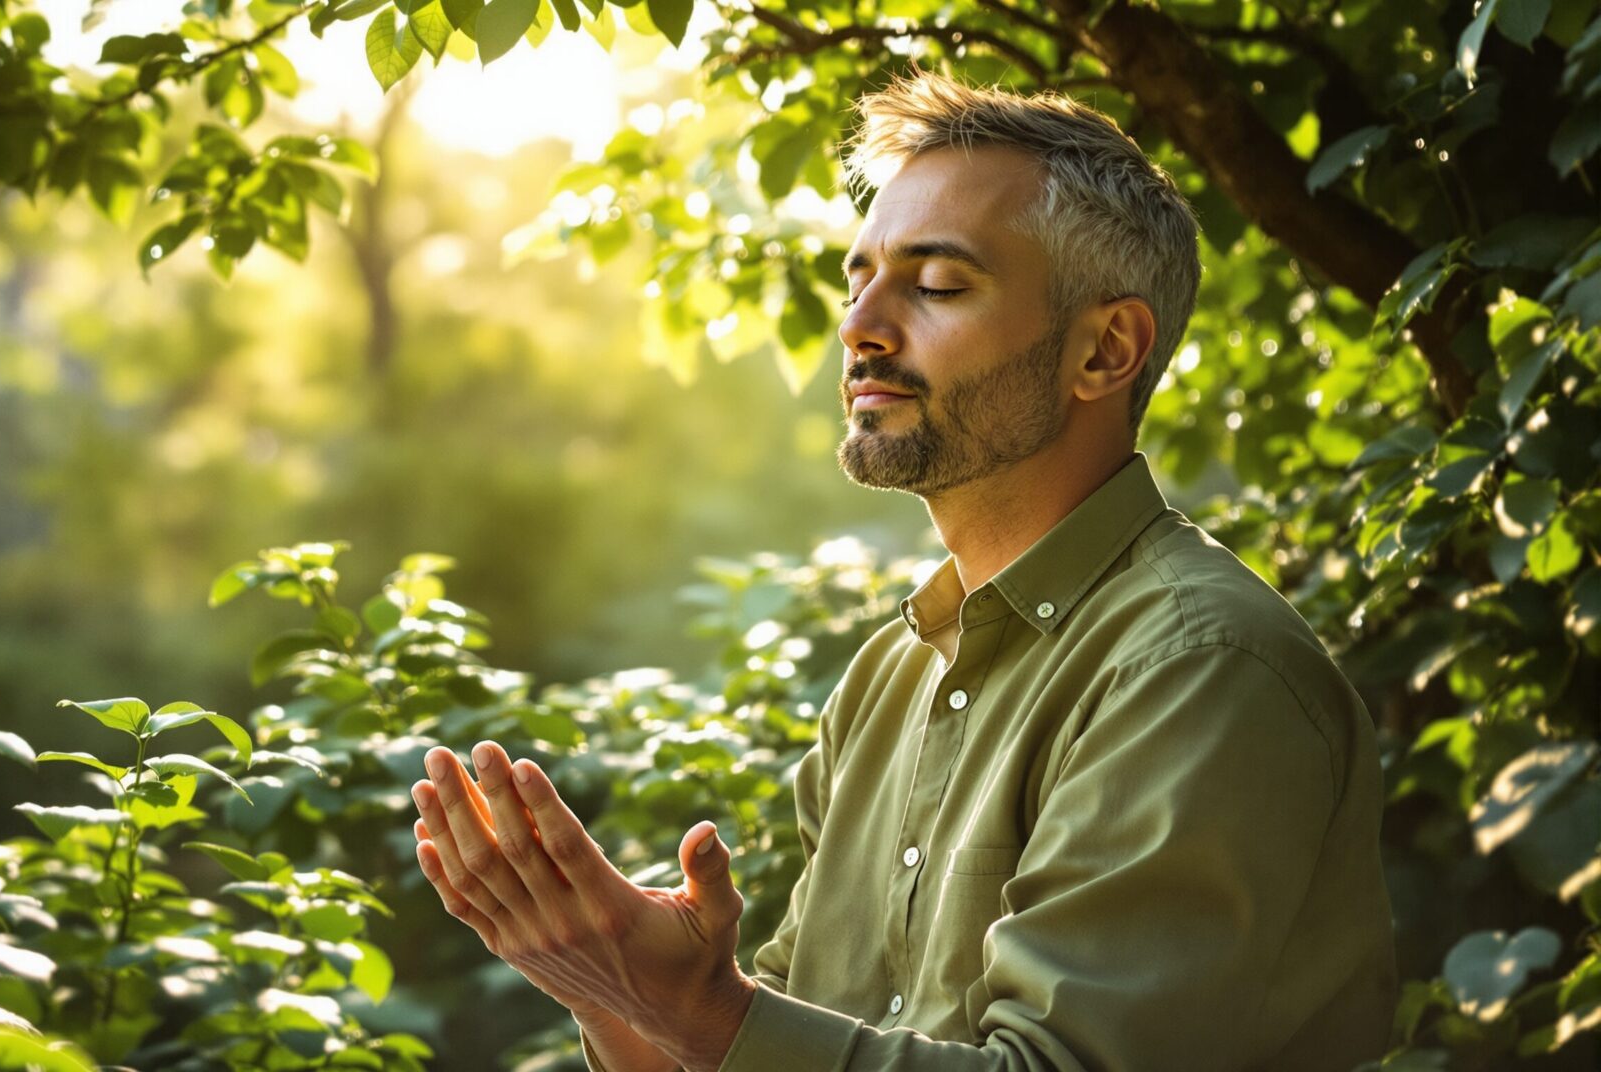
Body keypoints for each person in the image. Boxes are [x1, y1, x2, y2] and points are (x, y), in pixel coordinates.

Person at [408, 68, 1398, 1071]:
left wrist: (697, 1010)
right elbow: (763, 1044)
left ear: (1105, 350)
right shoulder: (889, 679)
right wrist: (622, 995)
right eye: (859, 282)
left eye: (937, 286)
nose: (859, 328)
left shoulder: (1200, 669)